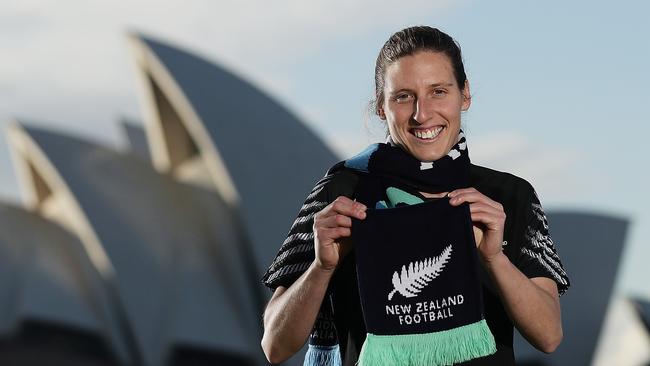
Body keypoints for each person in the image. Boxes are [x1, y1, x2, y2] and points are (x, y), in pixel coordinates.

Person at [261, 26, 570, 365]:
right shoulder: (342, 191)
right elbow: (275, 346)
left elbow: (549, 335)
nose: (422, 114)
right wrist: (321, 267)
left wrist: (494, 258)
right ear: (382, 106)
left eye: (438, 91)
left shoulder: (507, 197)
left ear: (465, 95)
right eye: (403, 96)